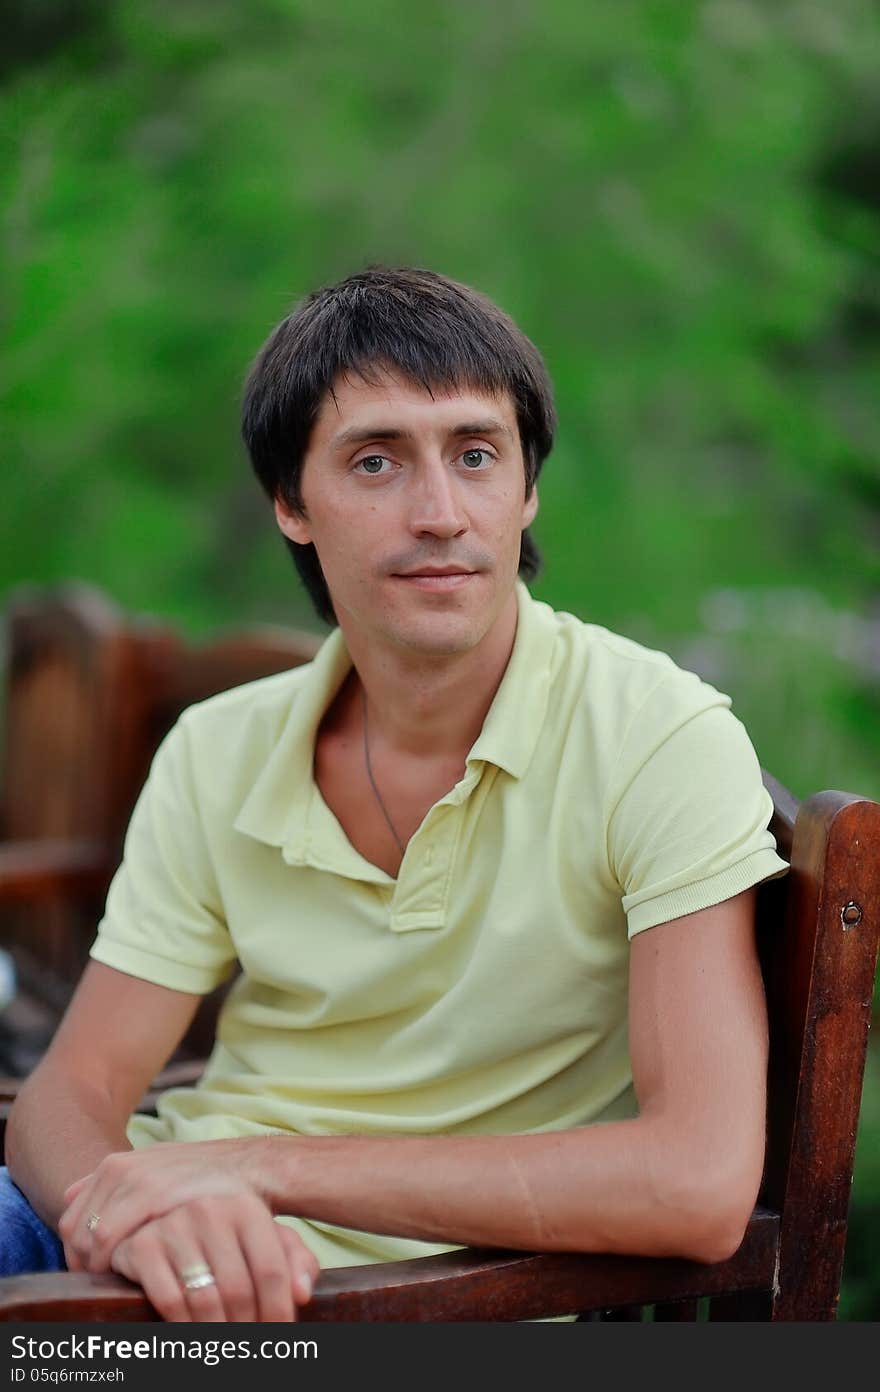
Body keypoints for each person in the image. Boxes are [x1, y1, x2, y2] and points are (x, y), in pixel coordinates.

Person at [3, 266, 789, 1322]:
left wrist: (264, 1171)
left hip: (401, 1302)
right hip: (153, 1243)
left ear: (525, 489)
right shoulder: (218, 748)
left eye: (475, 455)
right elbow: (72, 1091)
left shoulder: (659, 740)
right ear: (290, 503)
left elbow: (696, 1186)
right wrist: (138, 1212)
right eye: (376, 461)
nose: (439, 513)